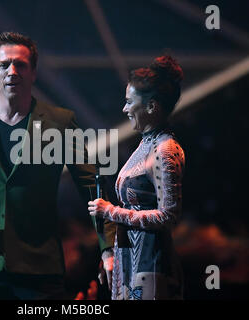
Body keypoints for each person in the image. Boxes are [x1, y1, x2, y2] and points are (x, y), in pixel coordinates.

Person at [0, 32, 115, 300]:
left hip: (40, 270)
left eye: (21, 64)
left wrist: (108, 247)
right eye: (4, 65)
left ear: (33, 73)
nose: (12, 71)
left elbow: (91, 187)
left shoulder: (60, 122)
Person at [88, 55, 185, 300]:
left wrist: (111, 212)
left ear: (151, 107)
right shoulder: (145, 144)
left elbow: (168, 215)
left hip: (151, 263)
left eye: (130, 102)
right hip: (131, 261)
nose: (124, 108)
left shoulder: (165, 149)